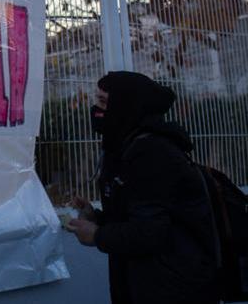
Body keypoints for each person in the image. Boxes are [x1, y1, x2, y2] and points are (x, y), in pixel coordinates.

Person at [66, 71, 218, 304]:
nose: (96, 110)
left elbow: (150, 233)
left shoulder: (152, 153)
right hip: (144, 285)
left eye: (104, 102)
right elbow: (138, 214)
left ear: (126, 106)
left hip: (174, 290)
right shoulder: (124, 146)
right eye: (96, 101)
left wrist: (97, 235)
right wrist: (97, 218)